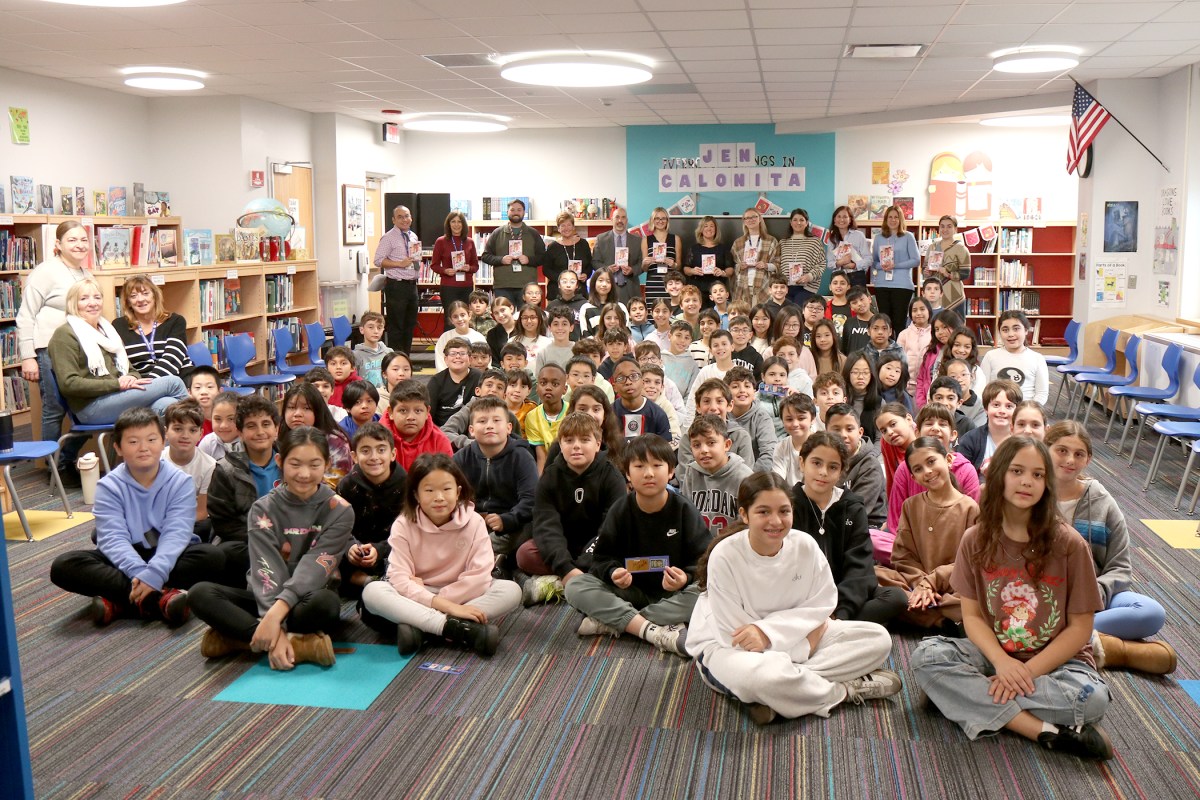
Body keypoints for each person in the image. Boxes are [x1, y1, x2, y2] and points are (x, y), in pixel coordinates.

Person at [911, 437, 1114, 762]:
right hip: (992, 653)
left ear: (1047, 484)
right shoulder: (975, 540)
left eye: (1037, 475)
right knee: (926, 657)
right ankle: (1040, 730)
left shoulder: (1070, 544)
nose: (1026, 482)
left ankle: (961, 697)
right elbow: (972, 617)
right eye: (1017, 471)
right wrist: (1003, 664)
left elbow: (1080, 628)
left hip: (1057, 663)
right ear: (1000, 475)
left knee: (1092, 699)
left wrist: (1028, 671)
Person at [686, 471, 901, 725]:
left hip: (795, 638)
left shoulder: (805, 545)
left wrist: (771, 635)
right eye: (763, 512)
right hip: (730, 646)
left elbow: (823, 602)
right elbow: (735, 636)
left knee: (878, 639)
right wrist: (804, 645)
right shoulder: (725, 556)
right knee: (760, 676)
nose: (775, 521)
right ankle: (843, 691)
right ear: (744, 514)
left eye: (784, 511)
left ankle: (782, 693)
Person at [189, 426, 354, 670]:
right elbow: (266, 570)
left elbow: (314, 567)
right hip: (263, 596)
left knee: (327, 604)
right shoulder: (262, 508)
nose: (304, 474)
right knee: (200, 593)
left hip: (305, 598)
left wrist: (276, 618)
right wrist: (277, 631)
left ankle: (240, 640)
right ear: (280, 461)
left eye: (314, 464)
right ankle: (293, 644)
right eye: (295, 464)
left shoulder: (339, 510)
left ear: (327, 463)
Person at [48, 408, 222, 626]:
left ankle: (120, 602)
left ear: (162, 441)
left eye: (151, 439)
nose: (143, 448)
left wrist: (155, 572)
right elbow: (113, 539)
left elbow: (176, 533)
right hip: (125, 558)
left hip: (169, 555)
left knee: (212, 557)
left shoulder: (180, 482)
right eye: (133, 442)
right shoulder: (108, 486)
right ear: (118, 447)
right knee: (64, 565)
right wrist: (143, 573)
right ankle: (161, 599)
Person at [1045, 421, 1176, 675]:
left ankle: (1059, 636)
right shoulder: (1031, 495)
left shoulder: (1102, 501)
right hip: (1043, 594)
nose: (1070, 460)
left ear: (1088, 459)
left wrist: (1092, 594)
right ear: (1045, 450)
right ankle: (1101, 645)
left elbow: (1120, 567)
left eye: (1079, 454)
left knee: (1152, 613)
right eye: (1061, 450)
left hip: (1093, 595)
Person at [360, 453, 521, 657]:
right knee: (373, 592)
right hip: (421, 593)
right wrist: (444, 606)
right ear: (416, 494)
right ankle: (457, 629)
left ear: (458, 491)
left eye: (446, 489)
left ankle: (422, 627)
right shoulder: (403, 523)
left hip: (461, 595)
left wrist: (447, 602)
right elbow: (399, 577)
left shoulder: (474, 522)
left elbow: (479, 576)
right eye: (429, 490)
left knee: (510, 590)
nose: (439, 497)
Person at [565, 435, 709, 655]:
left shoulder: (683, 510)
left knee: (707, 593)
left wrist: (685, 578)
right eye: (640, 466)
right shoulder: (620, 510)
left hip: (673, 595)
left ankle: (621, 621)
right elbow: (601, 559)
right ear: (628, 474)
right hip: (630, 592)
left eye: (657, 465)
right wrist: (613, 573)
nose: (649, 473)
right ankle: (653, 627)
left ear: (671, 472)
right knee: (575, 586)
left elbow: (703, 561)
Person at [790, 432, 907, 626]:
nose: (823, 472)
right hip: (801, 596)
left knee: (895, 598)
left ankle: (829, 627)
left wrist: (840, 612)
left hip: (842, 594)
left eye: (833, 467)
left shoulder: (852, 507)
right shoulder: (789, 505)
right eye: (816, 463)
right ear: (802, 463)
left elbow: (859, 565)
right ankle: (835, 629)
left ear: (842, 470)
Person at [47, 279, 189, 432]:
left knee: (166, 405)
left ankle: (161, 455)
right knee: (173, 383)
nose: (92, 303)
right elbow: (69, 384)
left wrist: (132, 378)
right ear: (72, 303)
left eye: (97, 297)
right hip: (92, 408)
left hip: (118, 396)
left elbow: (131, 369)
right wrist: (117, 384)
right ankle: (199, 439)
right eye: (84, 299)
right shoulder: (64, 335)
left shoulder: (107, 331)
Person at [518, 412, 627, 605]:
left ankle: (558, 583)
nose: (576, 445)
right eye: (569, 440)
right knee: (525, 555)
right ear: (560, 445)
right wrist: (564, 566)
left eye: (585, 439)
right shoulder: (550, 477)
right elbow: (546, 526)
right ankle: (585, 580)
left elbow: (610, 529)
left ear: (598, 443)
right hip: (565, 543)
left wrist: (579, 564)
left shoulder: (612, 477)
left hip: (600, 546)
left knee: (627, 559)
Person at [16, 220, 95, 485]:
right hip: (48, 349)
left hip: (78, 351)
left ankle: (65, 459)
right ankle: (52, 469)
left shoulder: (86, 274)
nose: (79, 244)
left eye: (83, 239)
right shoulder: (45, 272)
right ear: (58, 245)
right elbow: (26, 315)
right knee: (54, 410)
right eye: (72, 240)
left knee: (87, 408)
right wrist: (28, 355)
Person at [876, 436, 979, 631]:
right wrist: (922, 585)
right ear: (913, 477)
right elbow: (903, 556)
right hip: (915, 585)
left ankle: (921, 615)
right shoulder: (911, 506)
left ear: (949, 460)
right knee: (872, 577)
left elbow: (970, 563)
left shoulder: (969, 508)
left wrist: (932, 582)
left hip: (952, 588)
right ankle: (939, 620)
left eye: (931, 462)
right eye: (918, 469)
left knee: (976, 597)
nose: (927, 471)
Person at [453, 397, 538, 578]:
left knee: (525, 529)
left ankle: (484, 562)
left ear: (508, 428)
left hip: (511, 524)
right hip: (473, 522)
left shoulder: (521, 456)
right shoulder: (461, 458)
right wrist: (472, 516)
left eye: (496, 420)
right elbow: (450, 496)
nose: (489, 425)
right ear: (472, 430)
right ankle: (492, 563)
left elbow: (531, 500)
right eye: (482, 421)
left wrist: (506, 520)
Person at [336, 421, 405, 594]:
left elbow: (410, 531)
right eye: (365, 451)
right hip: (357, 550)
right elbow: (337, 526)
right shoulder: (347, 485)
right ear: (354, 456)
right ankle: (366, 581)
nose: (374, 457)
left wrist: (380, 550)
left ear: (393, 454)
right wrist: (350, 547)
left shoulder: (407, 484)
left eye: (381, 450)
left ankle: (373, 582)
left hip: (392, 548)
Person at [111, 274, 191, 380]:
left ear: (154, 296)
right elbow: (120, 363)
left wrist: (152, 385)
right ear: (128, 302)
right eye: (133, 296)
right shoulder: (118, 326)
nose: (140, 299)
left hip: (179, 377)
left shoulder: (175, 321)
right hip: (141, 384)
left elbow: (172, 358)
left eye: (145, 293)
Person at [823, 404, 886, 530]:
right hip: (830, 523)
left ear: (860, 432)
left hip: (866, 527)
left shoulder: (870, 465)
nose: (843, 435)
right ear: (826, 433)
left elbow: (854, 514)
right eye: (836, 429)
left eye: (849, 429)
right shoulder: (822, 459)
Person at [280, 382, 353, 488]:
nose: (297, 414)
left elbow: (335, 485)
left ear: (318, 411)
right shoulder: (282, 435)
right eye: (291, 407)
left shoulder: (335, 442)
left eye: (306, 408)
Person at [162, 399, 216, 533]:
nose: (185, 436)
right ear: (166, 432)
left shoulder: (209, 465)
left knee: (205, 527)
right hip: (158, 521)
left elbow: (202, 512)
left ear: (200, 434)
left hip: (190, 523)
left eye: (192, 430)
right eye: (178, 429)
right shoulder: (155, 460)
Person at [480, 199, 546, 306]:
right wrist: (501, 260)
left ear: (524, 212)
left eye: (519, 210)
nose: (516, 212)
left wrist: (529, 260)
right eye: (512, 210)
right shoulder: (497, 233)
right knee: (504, 318)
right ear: (507, 212)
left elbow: (543, 257)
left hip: (527, 286)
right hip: (503, 285)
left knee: (527, 318)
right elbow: (485, 256)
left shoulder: (533, 233)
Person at [374, 204, 421, 354]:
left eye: (406, 216)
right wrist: (399, 264)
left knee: (409, 325)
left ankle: (405, 358)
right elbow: (378, 260)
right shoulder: (388, 238)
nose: (404, 219)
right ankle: (394, 361)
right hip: (397, 286)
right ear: (393, 220)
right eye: (400, 217)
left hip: (412, 286)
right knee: (397, 326)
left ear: (411, 218)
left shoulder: (413, 236)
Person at [980, 310, 1049, 404]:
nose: (1011, 334)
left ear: (1025, 330)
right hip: (998, 410)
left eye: (1016, 329)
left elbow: (1042, 393)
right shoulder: (990, 356)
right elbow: (983, 389)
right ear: (999, 332)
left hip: (1025, 412)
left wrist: (1029, 411)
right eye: (1005, 330)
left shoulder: (1037, 359)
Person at [382, 380, 453, 470]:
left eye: (418, 411)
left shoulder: (439, 441)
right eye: (403, 410)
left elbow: (446, 477)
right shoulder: (377, 439)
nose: (411, 417)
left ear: (427, 412)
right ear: (391, 412)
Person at [958, 379, 1021, 477]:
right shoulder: (970, 440)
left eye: (1009, 406)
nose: (1002, 411)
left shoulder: (1023, 443)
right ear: (986, 408)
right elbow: (960, 478)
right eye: (996, 405)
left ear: (1017, 410)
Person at [871, 205, 919, 331]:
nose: (893, 220)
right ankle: (885, 350)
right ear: (886, 219)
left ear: (900, 219)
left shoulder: (908, 236)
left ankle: (898, 349)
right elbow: (874, 262)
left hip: (902, 285)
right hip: (881, 284)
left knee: (899, 322)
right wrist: (881, 266)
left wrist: (895, 265)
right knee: (884, 322)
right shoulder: (879, 238)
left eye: (896, 217)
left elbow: (916, 260)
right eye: (890, 217)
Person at [591, 206, 644, 305]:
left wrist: (632, 270)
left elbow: (642, 263)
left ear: (627, 220)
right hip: (608, 288)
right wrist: (607, 270)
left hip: (630, 289)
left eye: (623, 217)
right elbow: (594, 262)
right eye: (617, 217)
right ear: (612, 220)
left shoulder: (638, 240)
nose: (620, 220)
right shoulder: (601, 239)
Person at [611, 356, 671, 442]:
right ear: (614, 387)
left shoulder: (658, 414)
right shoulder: (608, 413)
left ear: (642, 382)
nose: (628, 382)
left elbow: (664, 451)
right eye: (621, 378)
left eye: (634, 376)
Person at [430, 210, 479, 316]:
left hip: (466, 286)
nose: (456, 225)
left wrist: (469, 268)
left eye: (459, 221)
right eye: (453, 221)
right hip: (448, 287)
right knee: (450, 318)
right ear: (448, 224)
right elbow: (434, 265)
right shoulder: (440, 241)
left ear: (463, 224)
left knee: (465, 317)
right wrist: (445, 271)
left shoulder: (470, 242)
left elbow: (475, 266)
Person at [426, 337, 483, 427]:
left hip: (472, 429)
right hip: (442, 430)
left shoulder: (479, 377)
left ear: (470, 359)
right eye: (453, 354)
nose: (457, 357)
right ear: (446, 360)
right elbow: (428, 415)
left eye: (462, 353)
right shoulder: (436, 381)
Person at [731, 207, 781, 307]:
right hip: (742, 286)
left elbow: (778, 264)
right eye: (747, 218)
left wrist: (765, 265)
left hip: (764, 285)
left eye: (754, 216)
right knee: (743, 318)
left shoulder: (771, 240)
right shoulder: (738, 242)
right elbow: (733, 266)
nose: (751, 220)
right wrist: (740, 266)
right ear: (744, 222)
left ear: (760, 219)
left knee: (761, 317)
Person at [525, 363, 570, 472]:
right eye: (543, 383)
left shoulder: (572, 412)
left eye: (555, 384)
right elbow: (542, 457)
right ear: (537, 388)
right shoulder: (532, 416)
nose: (548, 388)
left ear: (564, 389)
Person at [683, 215, 734, 306]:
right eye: (705, 226)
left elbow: (730, 269)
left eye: (712, 226)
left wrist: (722, 272)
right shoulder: (694, 248)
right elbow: (686, 269)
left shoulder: (723, 248)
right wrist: (693, 271)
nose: (709, 229)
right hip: (697, 289)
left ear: (716, 229)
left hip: (717, 290)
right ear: (701, 230)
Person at [780, 207, 827, 307]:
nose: (798, 223)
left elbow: (821, 264)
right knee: (786, 318)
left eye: (802, 220)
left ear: (807, 223)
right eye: (795, 220)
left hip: (807, 288)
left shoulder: (815, 242)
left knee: (799, 315)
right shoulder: (783, 242)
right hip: (785, 288)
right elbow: (777, 264)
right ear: (791, 222)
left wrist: (809, 276)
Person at [544, 211, 593, 301]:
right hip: (557, 294)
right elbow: (546, 270)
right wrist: (562, 279)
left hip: (579, 293)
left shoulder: (583, 244)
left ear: (573, 227)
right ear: (558, 228)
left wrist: (586, 274)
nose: (566, 228)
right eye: (562, 225)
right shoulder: (552, 247)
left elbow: (590, 265)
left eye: (569, 225)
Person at [927, 215, 969, 313]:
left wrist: (947, 274)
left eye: (949, 226)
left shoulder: (961, 248)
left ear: (955, 229)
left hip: (954, 296)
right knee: (936, 324)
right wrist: (927, 272)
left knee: (955, 326)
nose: (945, 229)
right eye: (942, 226)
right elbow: (925, 271)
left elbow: (965, 273)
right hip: (934, 295)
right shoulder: (932, 247)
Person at [640, 207, 682, 304]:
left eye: (663, 218)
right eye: (657, 218)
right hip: (653, 283)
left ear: (667, 220)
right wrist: (645, 263)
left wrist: (673, 264)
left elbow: (679, 266)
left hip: (671, 284)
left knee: (671, 313)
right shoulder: (646, 240)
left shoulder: (676, 239)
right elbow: (645, 268)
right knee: (653, 312)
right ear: (652, 220)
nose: (660, 221)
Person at [826, 205, 872, 288]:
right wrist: (840, 262)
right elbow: (829, 264)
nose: (842, 220)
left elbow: (869, 259)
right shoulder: (832, 238)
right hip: (838, 278)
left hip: (856, 276)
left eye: (845, 217)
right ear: (834, 220)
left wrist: (854, 265)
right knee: (840, 301)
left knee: (857, 300)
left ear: (850, 220)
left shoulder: (859, 235)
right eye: (839, 217)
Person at [898, 297, 933, 396]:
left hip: (927, 387)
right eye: (914, 310)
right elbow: (898, 360)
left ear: (929, 311)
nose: (918, 313)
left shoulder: (934, 334)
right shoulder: (904, 334)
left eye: (922, 309)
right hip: (906, 387)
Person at [352, 311, 392, 387]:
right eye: (371, 327)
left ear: (383, 330)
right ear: (362, 330)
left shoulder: (388, 352)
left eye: (379, 328)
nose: (376, 331)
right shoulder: (356, 355)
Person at [485, 295, 519, 363]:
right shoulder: (492, 334)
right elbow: (494, 361)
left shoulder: (522, 328)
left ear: (511, 308)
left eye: (503, 310)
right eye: (496, 313)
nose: (500, 315)